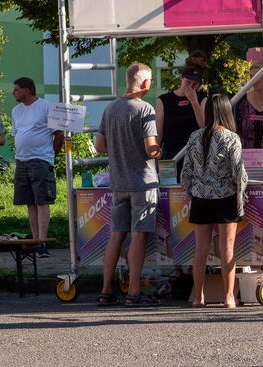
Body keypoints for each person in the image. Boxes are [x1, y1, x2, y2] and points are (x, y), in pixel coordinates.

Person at [94, 63, 163, 307]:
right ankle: (133, 292)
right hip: (142, 183)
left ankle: (105, 290)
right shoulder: (145, 109)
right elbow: (150, 148)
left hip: (118, 182)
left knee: (116, 235)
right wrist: (160, 151)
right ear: (144, 83)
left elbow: (100, 146)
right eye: (151, 81)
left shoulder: (110, 108)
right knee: (137, 237)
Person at [179, 94, 247, 308]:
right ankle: (228, 297)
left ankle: (198, 297)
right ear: (227, 111)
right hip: (225, 197)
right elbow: (239, 173)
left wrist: (193, 190)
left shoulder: (194, 136)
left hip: (200, 198)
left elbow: (185, 172)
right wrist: (241, 194)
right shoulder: (231, 137)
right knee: (227, 248)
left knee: (200, 250)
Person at [10, 76, 62, 250]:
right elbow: (17, 133)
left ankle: (43, 242)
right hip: (22, 160)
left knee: (42, 201)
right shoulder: (16, 111)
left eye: (16, 89)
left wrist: (51, 155)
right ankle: (35, 240)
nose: (13, 92)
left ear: (27, 90)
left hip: (40, 160)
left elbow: (59, 134)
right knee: (29, 202)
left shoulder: (46, 106)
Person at [156, 52, 209, 161]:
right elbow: (158, 134)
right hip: (170, 156)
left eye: (195, 84)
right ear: (181, 78)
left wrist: (194, 102)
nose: (190, 86)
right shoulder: (164, 100)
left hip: (195, 156)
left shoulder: (202, 98)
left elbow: (204, 126)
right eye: (188, 82)